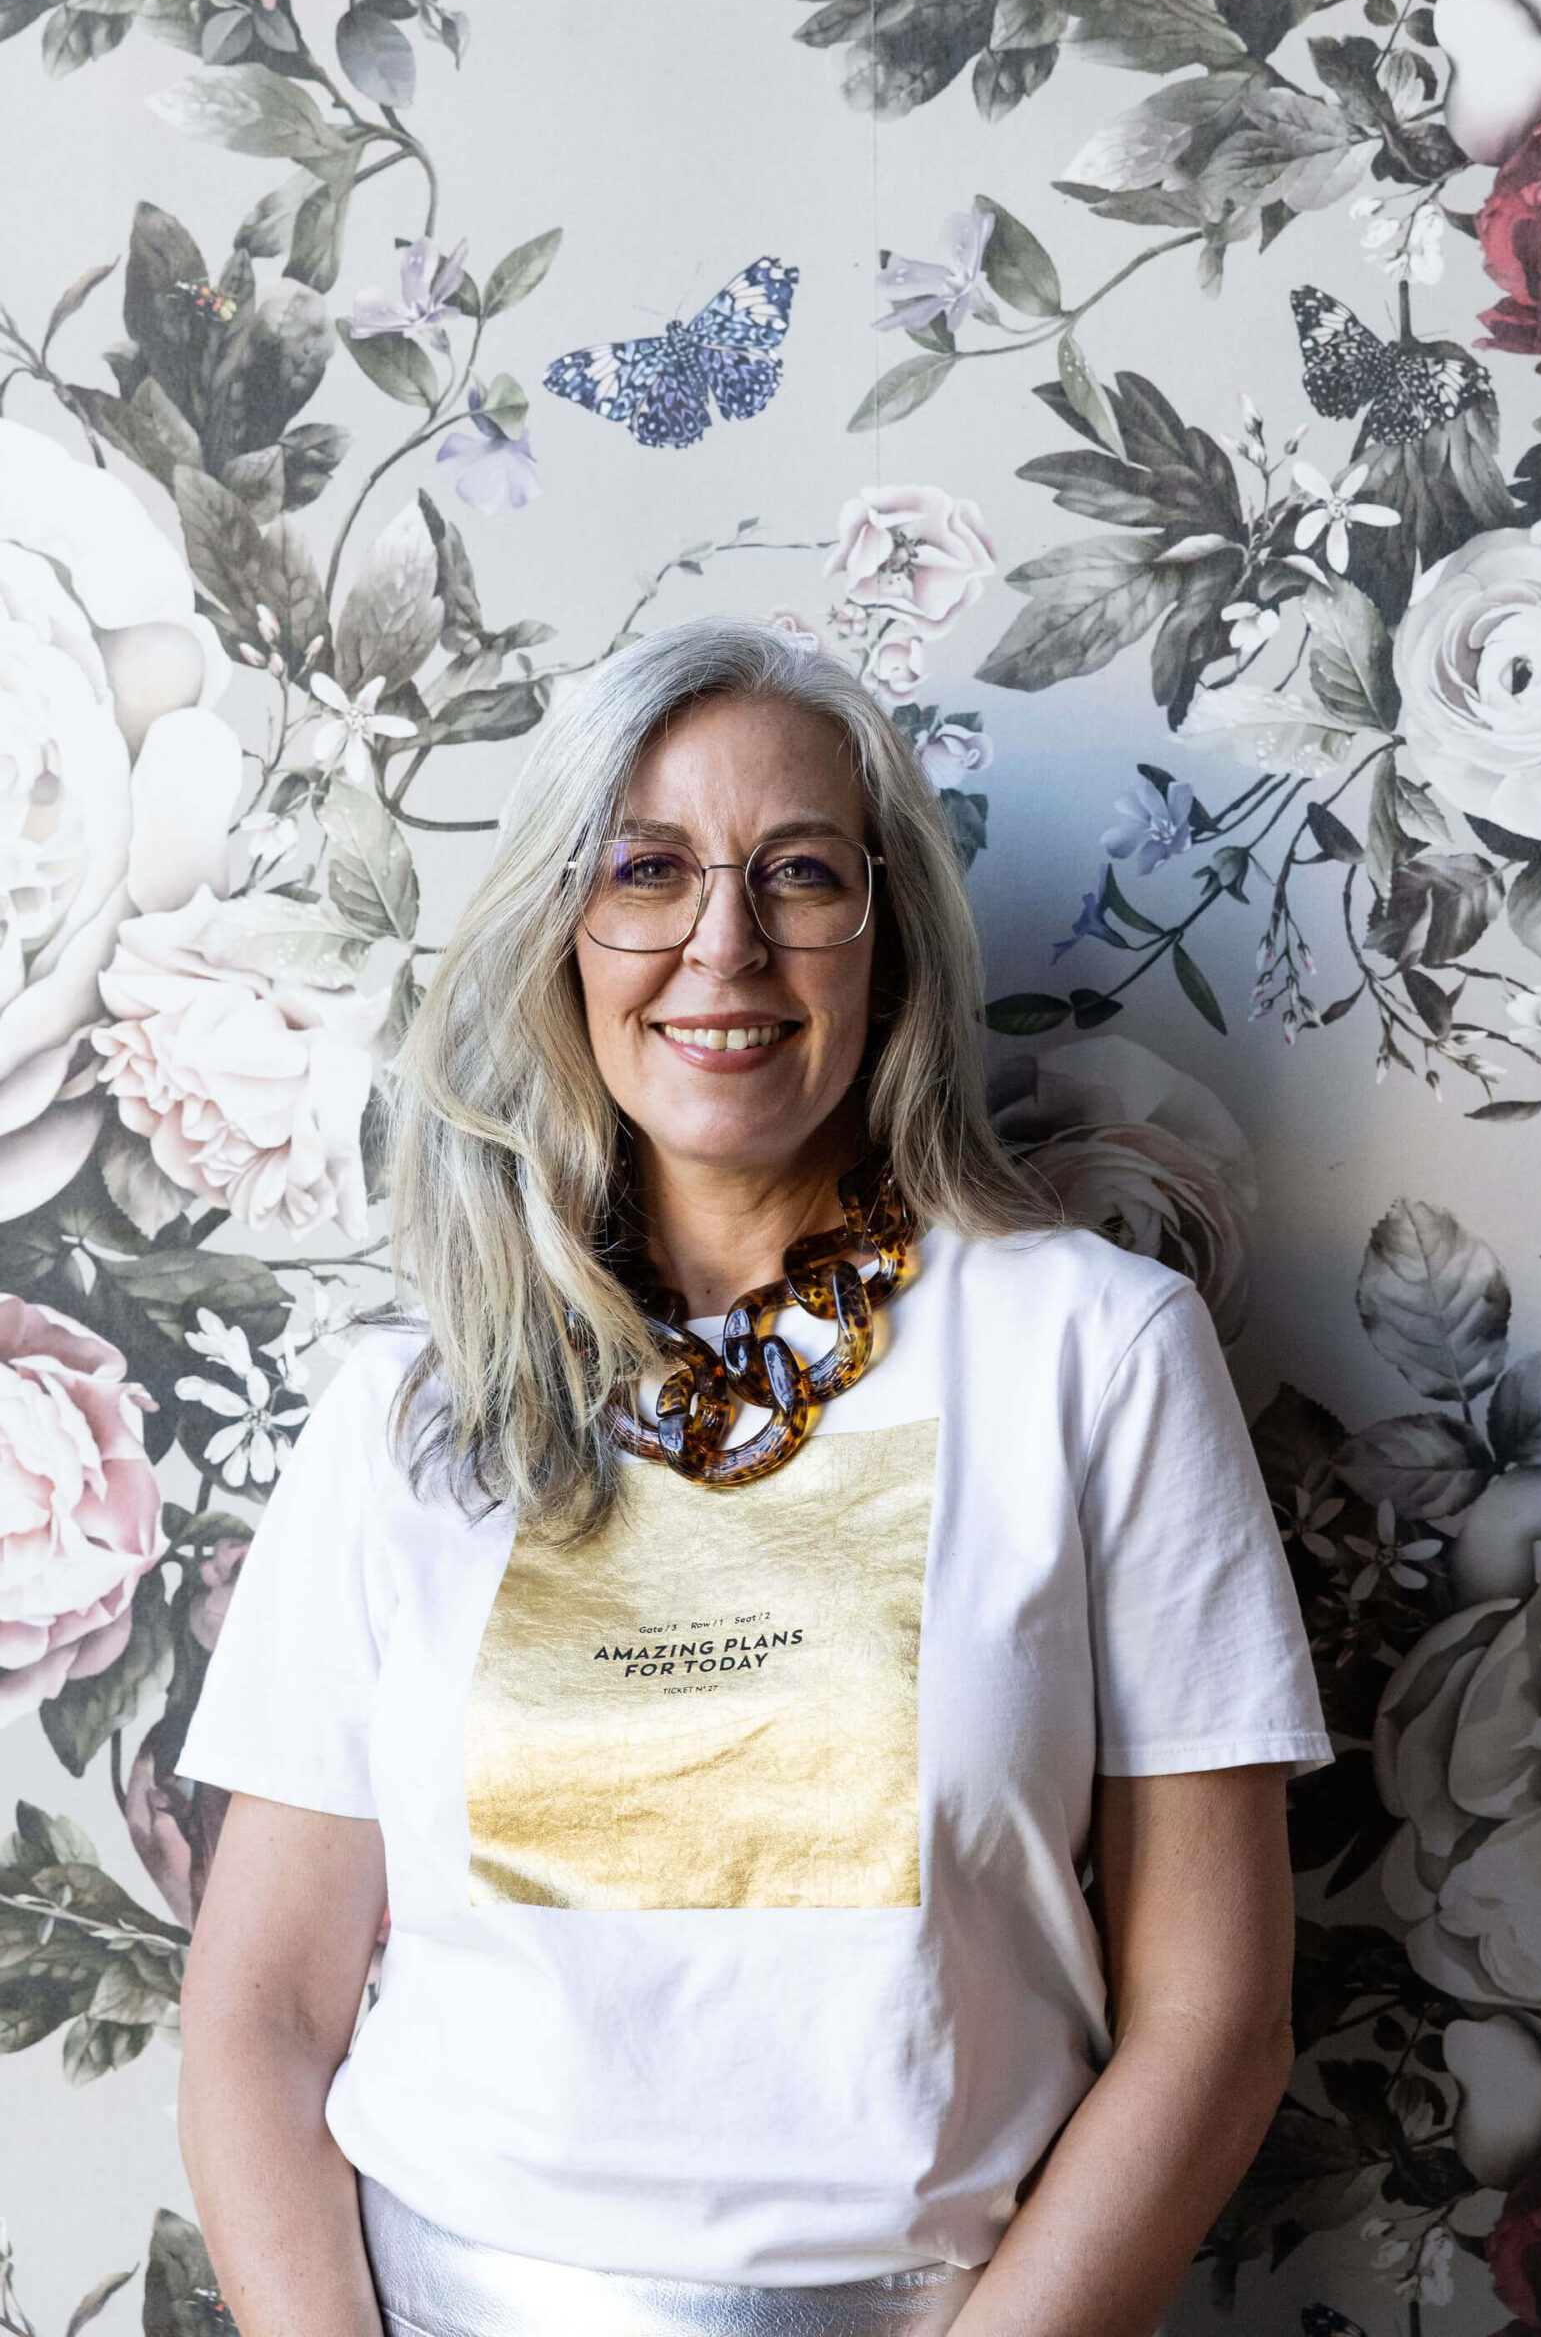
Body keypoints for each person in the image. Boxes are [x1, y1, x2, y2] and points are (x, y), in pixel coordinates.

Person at [175, 617, 1332, 2337]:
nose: (723, 948)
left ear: (889, 940)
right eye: (648, 870)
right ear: (568, 930)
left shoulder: (1095, 1354)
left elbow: (1213, 2018)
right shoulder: (404, 1411)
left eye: (798, 876)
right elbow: (260, 2015)